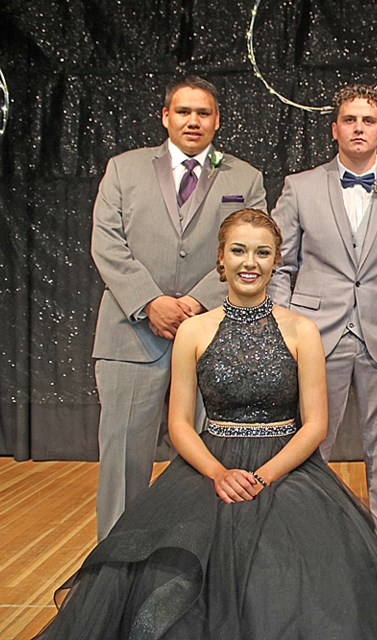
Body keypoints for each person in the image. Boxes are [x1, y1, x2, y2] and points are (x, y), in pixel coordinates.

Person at [36, 209, 377, 639]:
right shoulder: (194, 331)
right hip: (210, 466)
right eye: (238, 251)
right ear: (220, 260)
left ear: (276, 261)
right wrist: (218, 473)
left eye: (261, 252)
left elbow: (315, 425)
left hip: (283, 469)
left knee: (284, 575)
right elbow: (179, 423)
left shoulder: (302, 331)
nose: (249, 262)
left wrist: (263, 476)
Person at [90, 75, 266, 541]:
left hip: (212, 336)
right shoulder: (123, 169)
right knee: (124, 460)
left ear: (217, 121)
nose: (193, 121)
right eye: (183, 112)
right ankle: (114, 570)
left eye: (203, 113)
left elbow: (254, 246)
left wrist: (193, 303)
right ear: (165, 117)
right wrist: (150, 303)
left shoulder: (244, 178)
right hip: (132, 337)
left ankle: (199, 559)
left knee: (211, 458)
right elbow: (107, 244)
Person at [268, 84, 377, 555]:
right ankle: (301, 536)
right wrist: (281, 325)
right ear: (335, 129)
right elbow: (280, 263)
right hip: (315, 334)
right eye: (350, 120)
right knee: (310, 442)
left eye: (367, 120)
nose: (359, 128)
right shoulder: (300, 185)